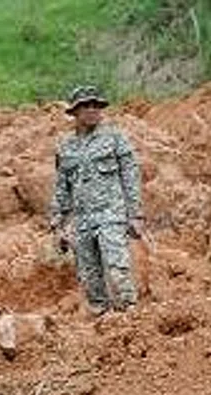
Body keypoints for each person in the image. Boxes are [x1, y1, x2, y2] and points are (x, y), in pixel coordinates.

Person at [50, 85, 145, 315]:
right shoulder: (66, 147)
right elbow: (62, 187)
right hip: (82, 221)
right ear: (74, 112)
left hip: (111, 214)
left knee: (117, 269)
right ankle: (101, 321)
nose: (92, 110)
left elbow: (131, 177)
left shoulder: (115, 139)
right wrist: (58, 224)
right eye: (86, 106)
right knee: (89, 276)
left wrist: (135, 214)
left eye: (96, 106)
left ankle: (130, 317)